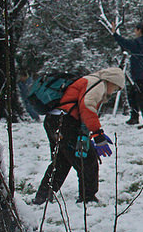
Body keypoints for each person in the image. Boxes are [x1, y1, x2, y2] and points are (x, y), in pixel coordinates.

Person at [33, 68, 124, 205]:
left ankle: (42, 197)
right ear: (111, 81)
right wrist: (98, 135)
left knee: (61, 161)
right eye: (115, 88)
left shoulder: (88, 80)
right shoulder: (99, 84)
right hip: (66, 122)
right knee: (87, 160)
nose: (113, 92)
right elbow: (87, 107)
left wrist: (89, 135)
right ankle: (88, 198)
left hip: (53, 121)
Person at [112, 21, 143, 128]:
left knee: (141, 98)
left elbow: (124, 43)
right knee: (132, 94)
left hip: (139, 73)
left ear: (139, 30)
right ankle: (134, 117)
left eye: (135, 30)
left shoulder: (138, 43)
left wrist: (114, 33)